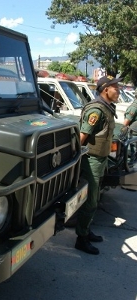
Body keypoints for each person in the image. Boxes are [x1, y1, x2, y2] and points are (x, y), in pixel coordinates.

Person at [75, 75, 121, 255]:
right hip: (91, 161)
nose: (118, 90)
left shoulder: (107, 107)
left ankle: (86, 230)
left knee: (94, 199)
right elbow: (81, 138)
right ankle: (81, 239)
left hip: (100, 160)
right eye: (115, 87)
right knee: (91, 201)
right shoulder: (97, 110)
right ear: (105, 89)